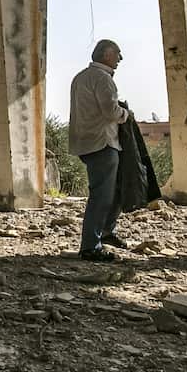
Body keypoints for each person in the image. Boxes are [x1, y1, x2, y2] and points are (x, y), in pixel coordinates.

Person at [69, 40, 132, 262]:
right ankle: (90, 246)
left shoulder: (81, 77)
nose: (120, 59)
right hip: (102, 143)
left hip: (86, 142)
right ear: (106, 54)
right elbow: (110, 112)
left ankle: (106, 232)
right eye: (117, 53)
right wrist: (126, 114)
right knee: (102, 196)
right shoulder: (103, 78)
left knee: (113, 191)